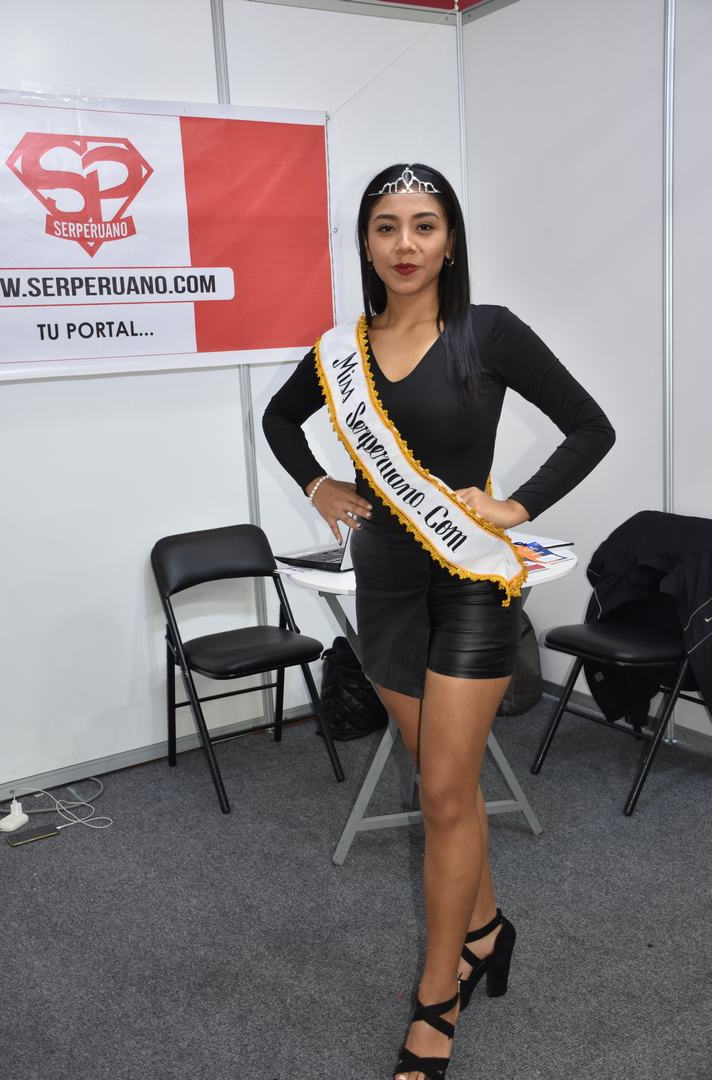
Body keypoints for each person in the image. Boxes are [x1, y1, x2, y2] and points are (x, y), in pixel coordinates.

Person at [262, 163, 615, 1080]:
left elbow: (590, 426)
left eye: (424, 225)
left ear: (451, 240)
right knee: (443, 785)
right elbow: (280, 418)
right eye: (386, 227)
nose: (406, 244)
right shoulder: (341, 349)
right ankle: (487, 930)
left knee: (444, 794)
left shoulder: (488, 333)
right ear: (366, 242)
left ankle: (436, 998)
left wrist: (519, 505)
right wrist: (318, 482)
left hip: (468, 581)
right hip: (384, 585)